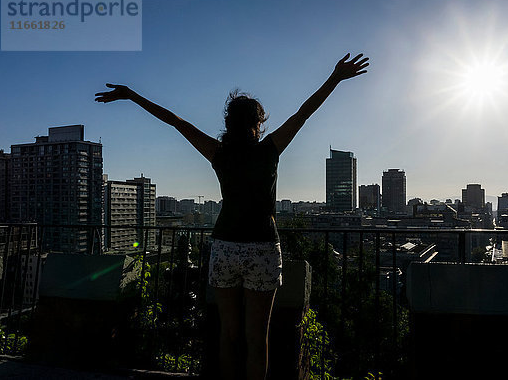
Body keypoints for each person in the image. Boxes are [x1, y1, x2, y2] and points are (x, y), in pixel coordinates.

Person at [94, 52, 368, 380]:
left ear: (228, 124)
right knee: (257, 338)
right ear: (258, 122)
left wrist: (131, 95)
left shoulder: (218, 153)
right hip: (263, 248)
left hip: (225, 247)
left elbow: (175, 121)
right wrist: (335, 78)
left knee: (229, 334)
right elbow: (303, 113)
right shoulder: (269, 149)